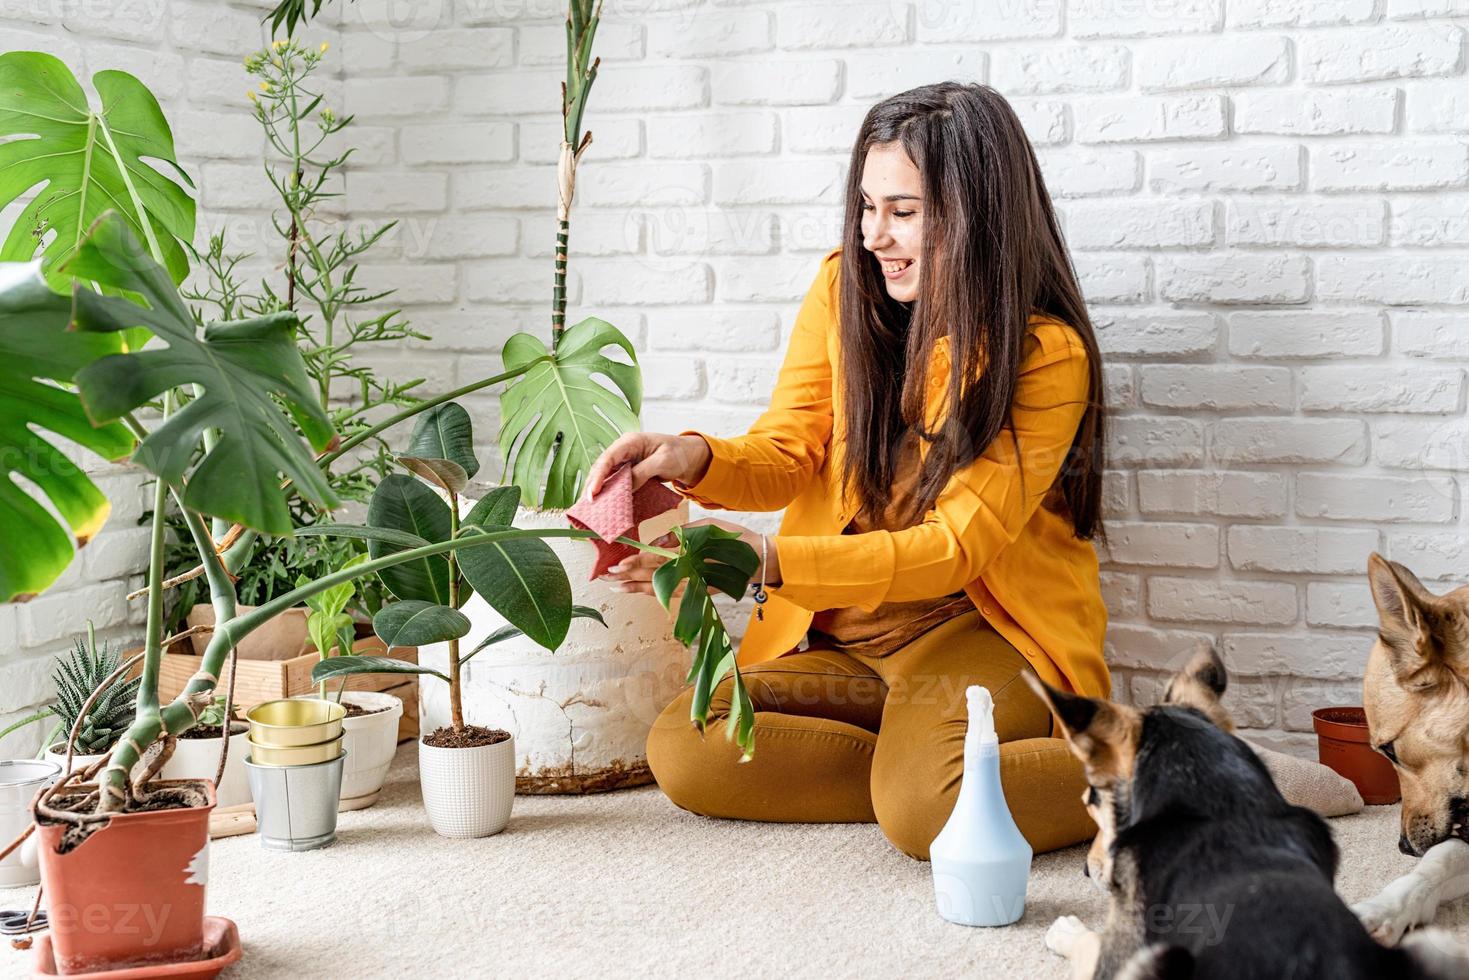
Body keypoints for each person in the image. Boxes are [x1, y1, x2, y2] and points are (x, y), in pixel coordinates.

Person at [582, 82, 1110, 860]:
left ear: (977, 214)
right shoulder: (841, 290)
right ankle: (920, 772)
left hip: (972, 633)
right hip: (850, 648)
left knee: (926, 816)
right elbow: (787, 450)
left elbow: (953, 547)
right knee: (690, 747)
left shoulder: (1043, 356)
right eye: (866, 207)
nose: (874, 236)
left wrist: (765, 561)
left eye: (903, 212)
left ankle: (1162, 768)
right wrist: (693, 456)